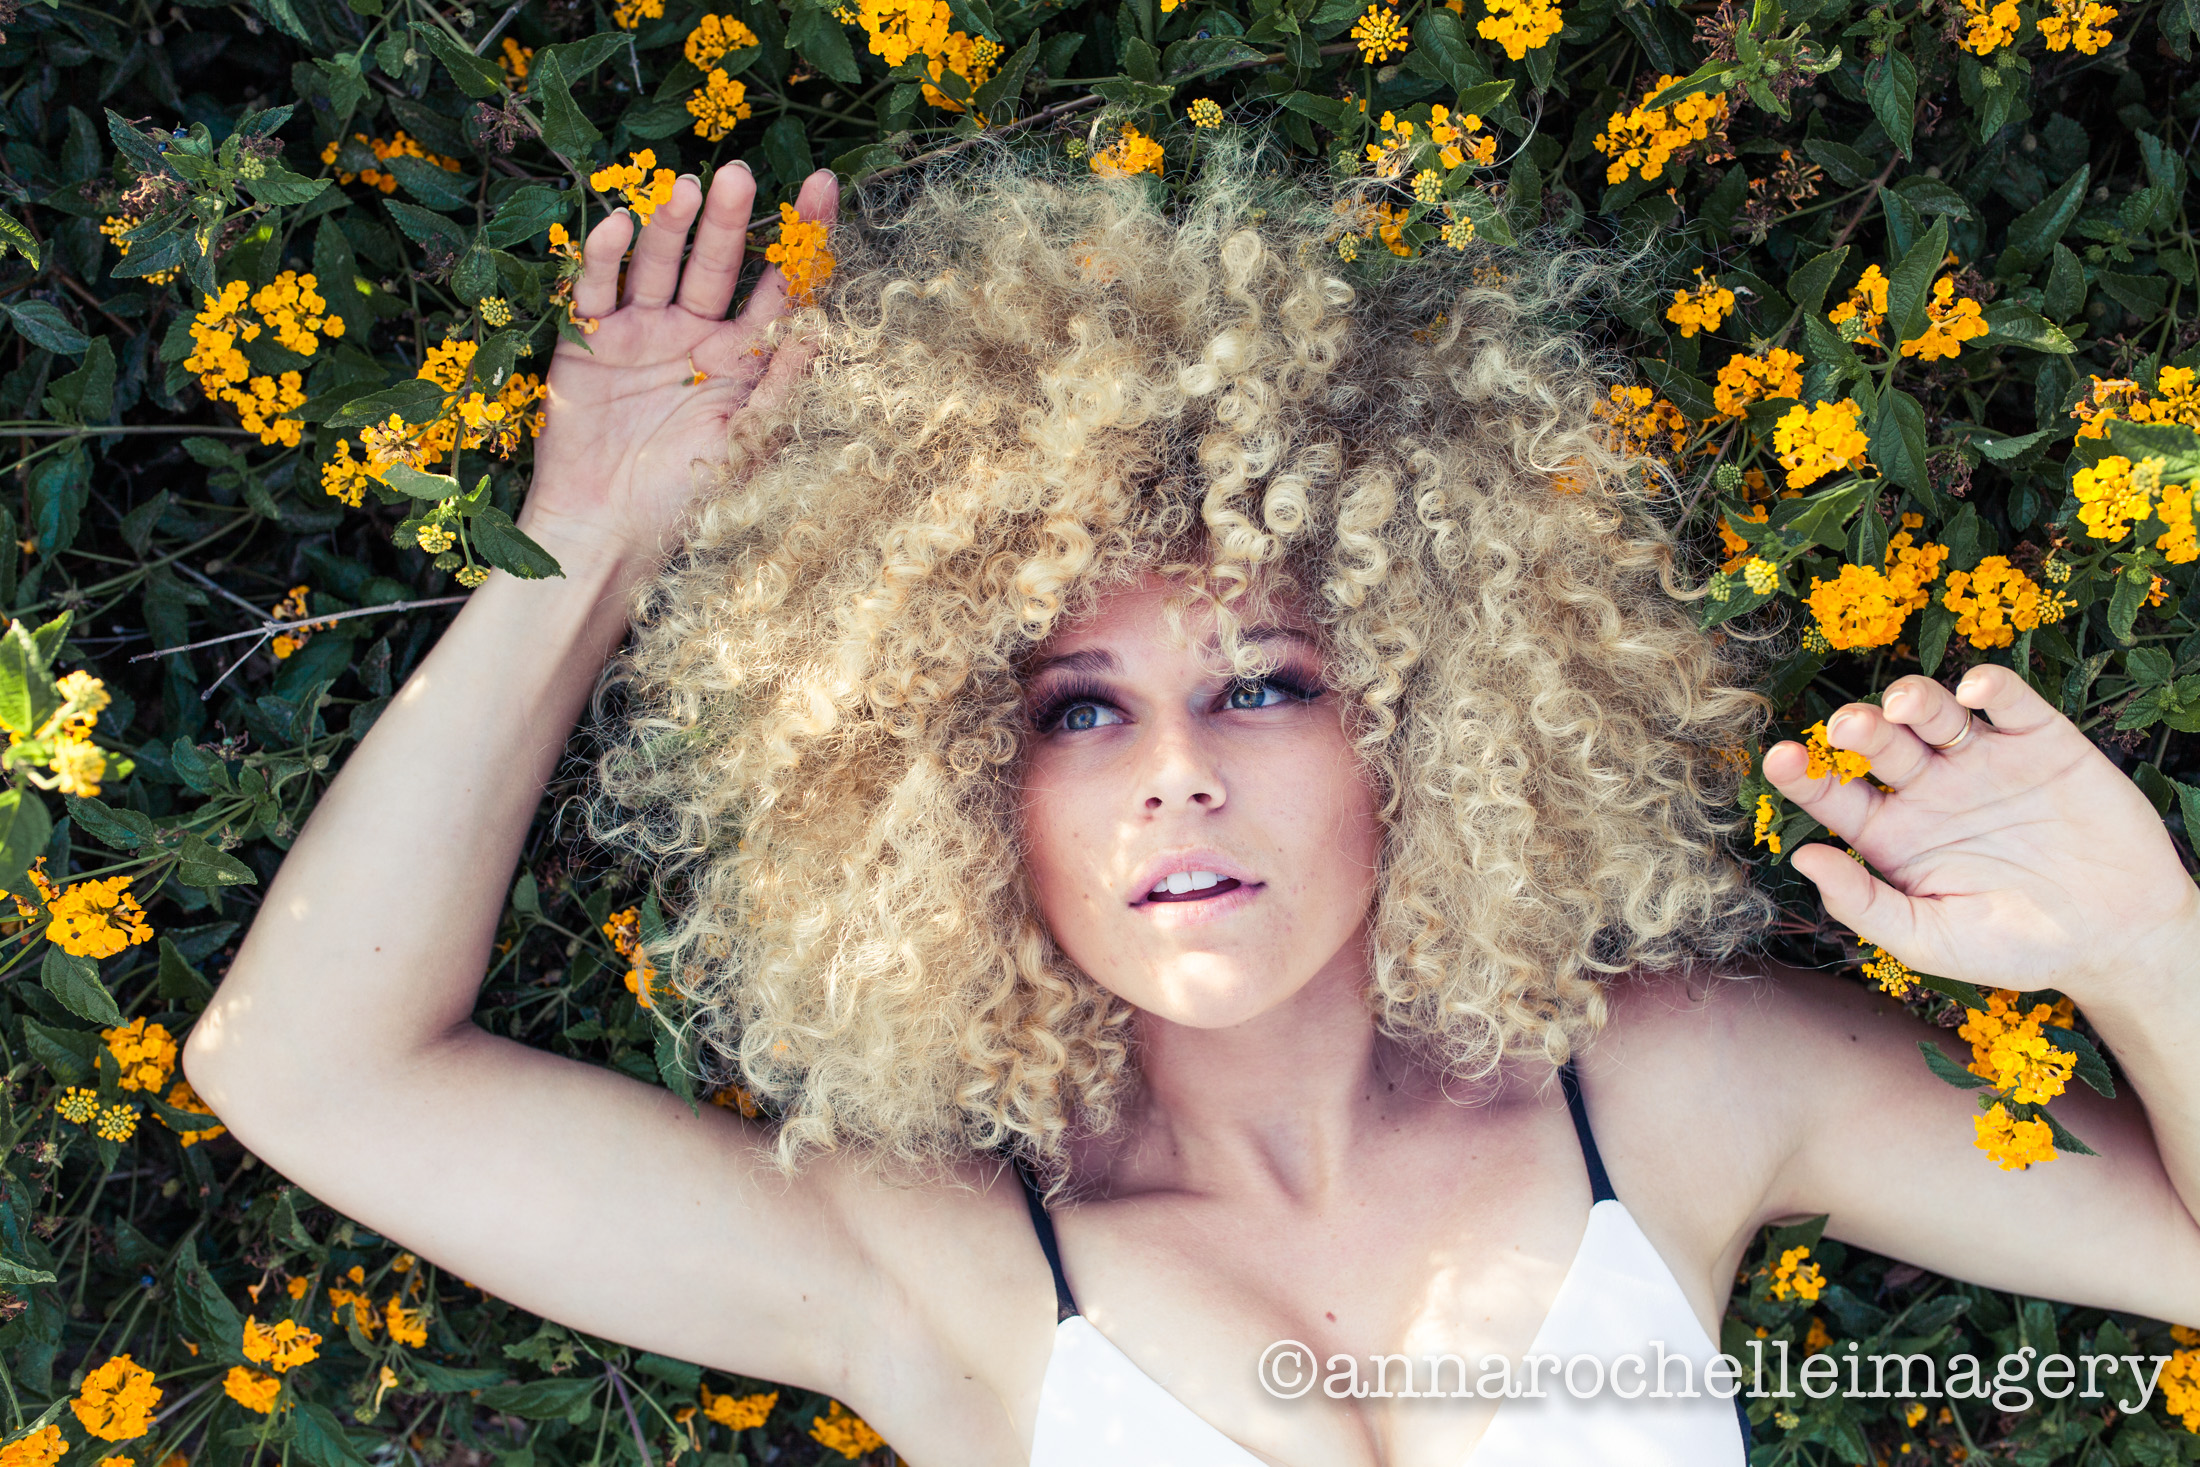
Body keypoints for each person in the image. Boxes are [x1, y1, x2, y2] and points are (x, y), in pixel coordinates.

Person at [181, 140, 2200, 1467]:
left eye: (1262, 680)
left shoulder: (1672, 1084)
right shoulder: (939, 1263)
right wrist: (592, 544)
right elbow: (313, 1072)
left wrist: (2139, 943)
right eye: (1074, 710)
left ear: (1421, 711)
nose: (1173, 770)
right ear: (962, 787)